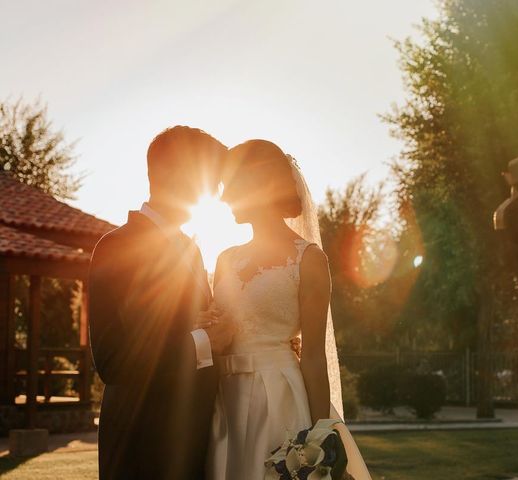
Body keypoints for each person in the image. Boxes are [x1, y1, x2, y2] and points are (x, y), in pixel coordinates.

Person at [203, 139, 371, 479]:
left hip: (278, 397)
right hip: (224, 401)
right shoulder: (225, 259)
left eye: (230, 186)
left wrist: (321, 436)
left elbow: (312, 355)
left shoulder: (308, 259)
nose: (222, 198)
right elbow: (216, 331)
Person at [88, 126, 235, 479]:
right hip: (141, 446)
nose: (214, 191)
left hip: (193, 442)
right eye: (208, 179)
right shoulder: (116, 247)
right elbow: (113, 360)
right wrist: (203, 340)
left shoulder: (192, 248)